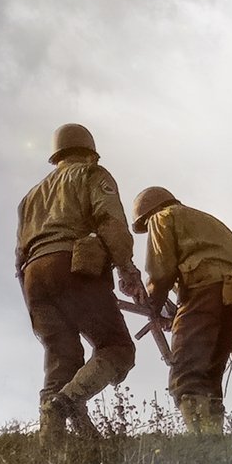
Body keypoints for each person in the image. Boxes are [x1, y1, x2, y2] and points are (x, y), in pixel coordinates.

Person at [16, 123, 144, 444]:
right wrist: (127, 269)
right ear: (90, 153)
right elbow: (110, 222)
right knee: (118, 348)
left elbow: (20, 255)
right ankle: (67, 402)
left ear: (56, 155)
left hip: (33, 277)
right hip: (73, 267)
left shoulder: (30, 197)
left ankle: (51, 446)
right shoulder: (91, 174)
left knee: (62, 357)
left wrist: (33, 295)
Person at [131, 187, 232, 434]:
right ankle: (215, 439)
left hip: (203, 290)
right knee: (210, 373)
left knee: (186, 375)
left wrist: (153, 302)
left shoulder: (162, 217)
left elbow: (161, 270)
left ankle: (202, 442)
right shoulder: (208, 220)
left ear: (149, 213)